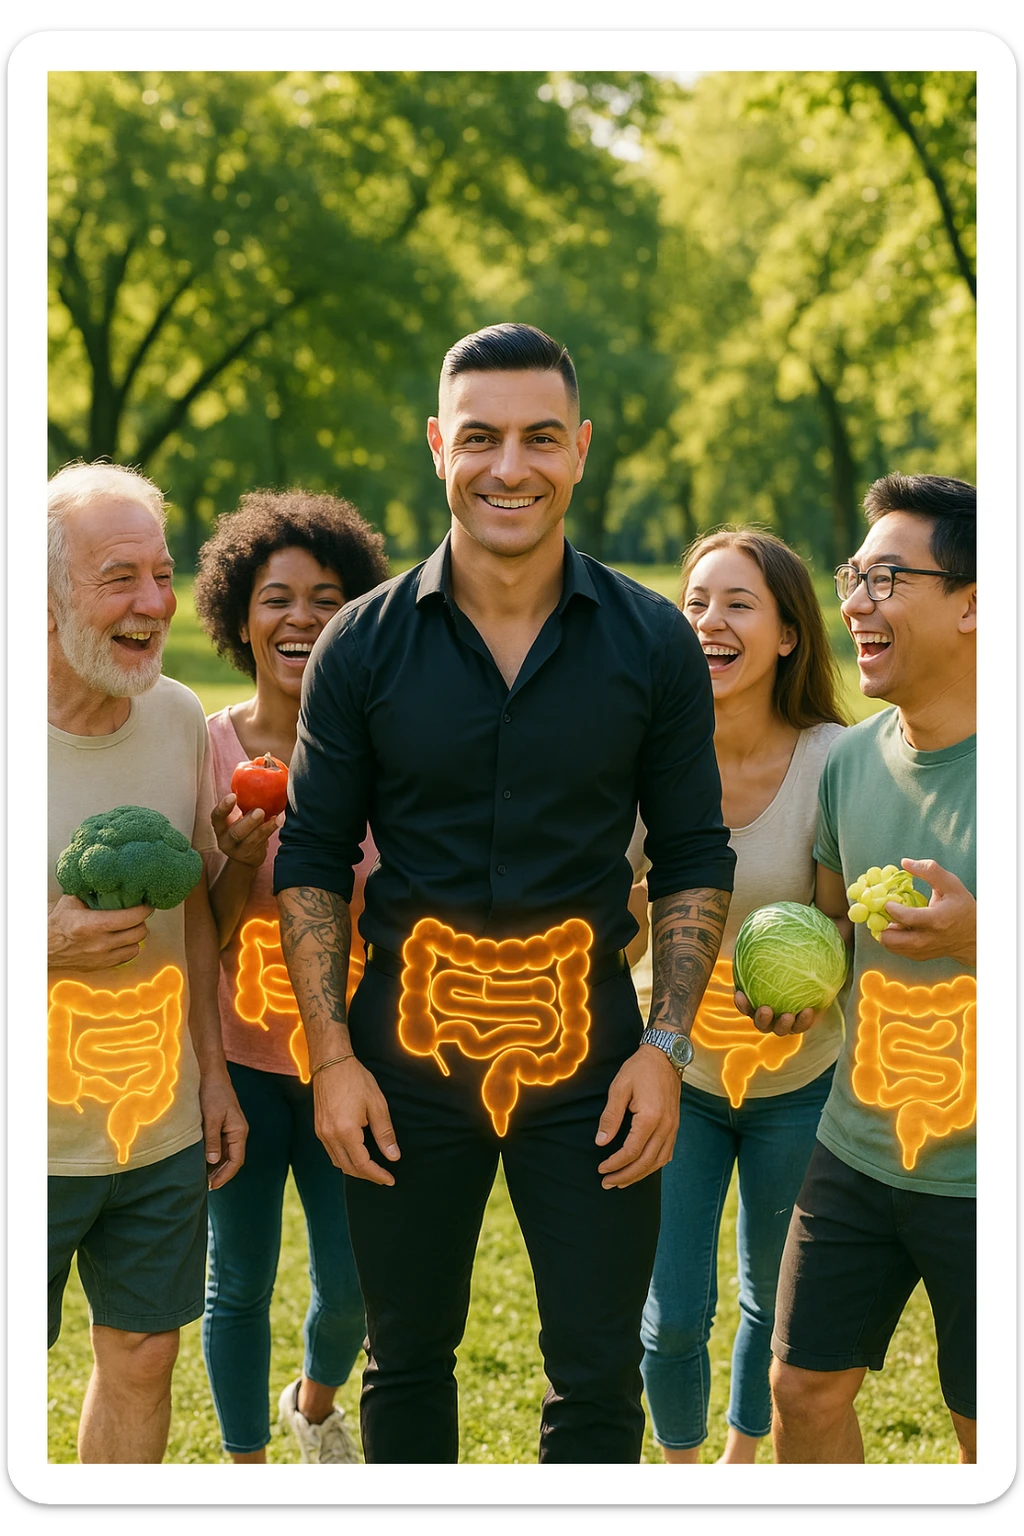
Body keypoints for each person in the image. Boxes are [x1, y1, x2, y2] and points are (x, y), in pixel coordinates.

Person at [273, 322, 737, 1465]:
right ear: (439, 446)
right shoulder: (359, 647)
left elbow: (690, 854)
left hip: (597, 1068)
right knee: (407, 1360)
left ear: (578, 450)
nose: (508, 466)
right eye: (479, 436)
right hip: (399, 1067)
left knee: (594, 1372)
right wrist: (332, 1059)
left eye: (538, 437)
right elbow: (314, 857)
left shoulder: (652, 646)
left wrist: (665, 1049)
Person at [763, 474, 976, 1464]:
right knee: (800, 1391)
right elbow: (828, 937)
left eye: (887, 576)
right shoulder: (849, 764)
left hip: (986, 1178)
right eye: (853, 574)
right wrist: (791, 992)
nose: (854, 600)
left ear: (975, 602)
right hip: (854, 1148)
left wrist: (978, 938)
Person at [632, 528, 848, 1464]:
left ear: (790, 633)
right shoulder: (645, 758)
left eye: (738, 604)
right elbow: (612, 928)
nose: (709, 623)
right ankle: (681, 1471)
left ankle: (739, 1464)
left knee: (777, 1301)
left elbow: (840, 925)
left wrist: (814, 986)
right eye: (695, 604)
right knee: (674, 1312)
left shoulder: (838, 760)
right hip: (672, 1077)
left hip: (800, 1079)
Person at [47, 461, 247, 1464]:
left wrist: (211, 1075)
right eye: (121, 577)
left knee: (141, 1357)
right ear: (45, 592)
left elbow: (197, 920)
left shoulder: (176, 718)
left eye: (163, 575)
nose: (154, 604)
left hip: (155, 1129)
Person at [192, 490, 389, 1464]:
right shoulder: (210, 750)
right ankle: (245, 1470)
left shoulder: (381, 756)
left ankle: (312, 1405)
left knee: (351, 1283)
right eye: (276, 598)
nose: (301, 617)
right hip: (238, 1059)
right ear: (238, 615)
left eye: (327, 597)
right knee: (237, 1280)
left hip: (345, 1061)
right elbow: (205, 932)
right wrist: (236, 857)